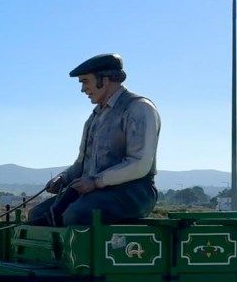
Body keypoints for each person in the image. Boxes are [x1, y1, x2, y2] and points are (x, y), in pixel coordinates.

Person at [28, 54, 160, 226]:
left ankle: (76, 253)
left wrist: (97, 182)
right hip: (95, 191)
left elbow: (139, 164)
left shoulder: (139, 108)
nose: (83, 89)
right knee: (37, 214)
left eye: (85, 81)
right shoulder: (95, 116)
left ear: (104, 80)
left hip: (133, 191)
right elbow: (82, 164)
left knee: (75, 215)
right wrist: (64, 178)